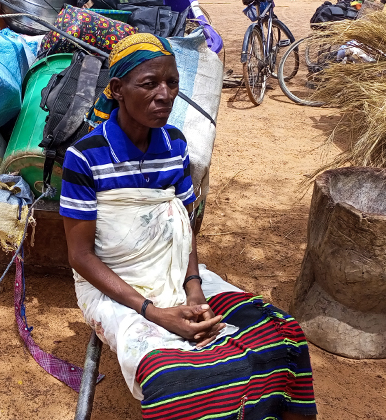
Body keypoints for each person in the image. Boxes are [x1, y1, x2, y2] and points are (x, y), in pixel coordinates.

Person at [61, 33, 317, 420]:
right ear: (117, 90)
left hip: (176, 270)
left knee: (279, 335)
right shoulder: (85, 157)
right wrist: (154, 313)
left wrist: (193, 289)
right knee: (174, 377)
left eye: (172, 83)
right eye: (149, 84)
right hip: (116, 284)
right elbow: (80, 256)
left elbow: (183, 225)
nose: (165, 94)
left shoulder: (175, 144)